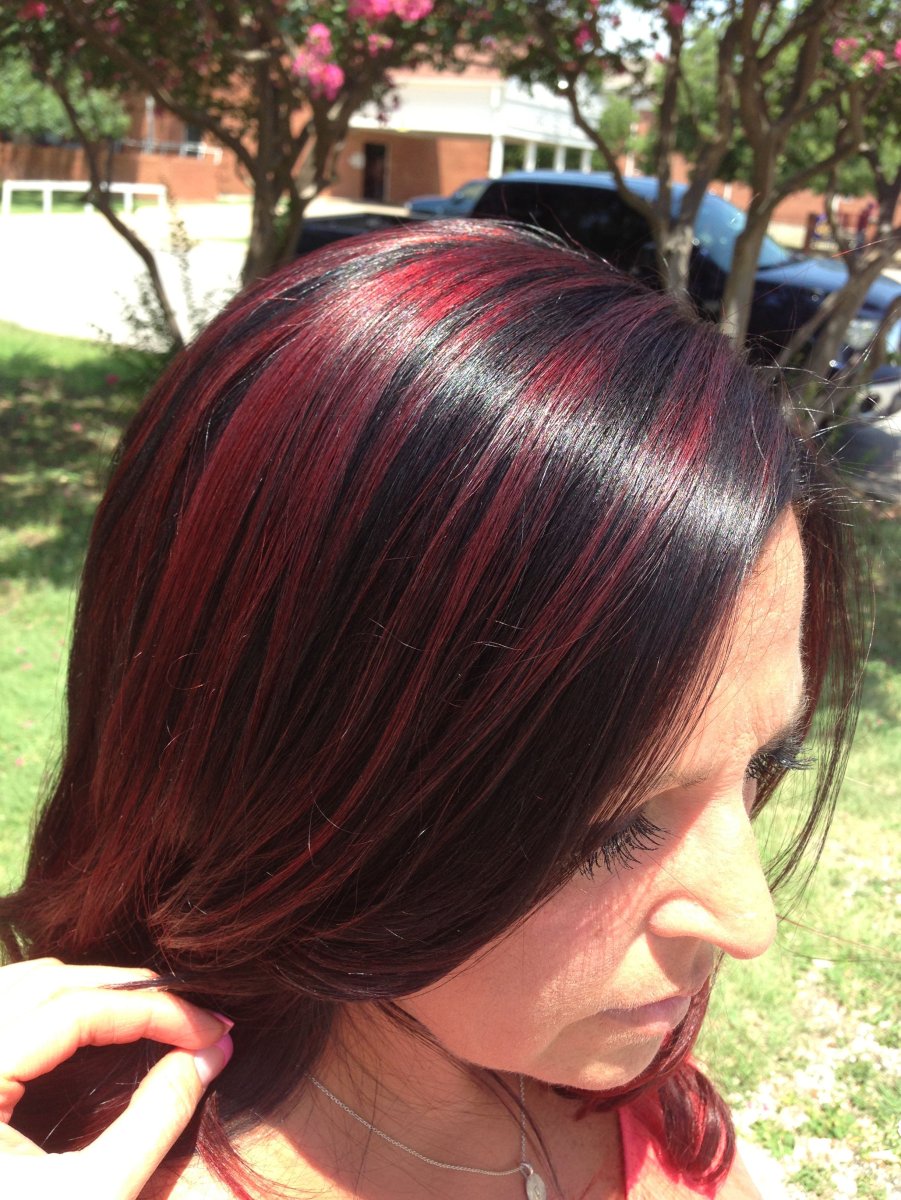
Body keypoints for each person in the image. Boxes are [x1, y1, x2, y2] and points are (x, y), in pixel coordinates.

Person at [0, 221, 861, 1200]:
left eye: (765, 764)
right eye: (611, 825)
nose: (748, 922)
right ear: (287, 776)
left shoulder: (609, 1079)